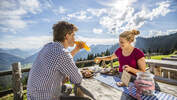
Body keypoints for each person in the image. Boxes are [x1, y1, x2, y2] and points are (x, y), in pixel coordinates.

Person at [27, 21, 90, 100]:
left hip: (33, 96)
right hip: (45, 97)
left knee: (68, 87)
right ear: (67, 36)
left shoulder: (48, 47)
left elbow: (62, 60)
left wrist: (76, 49)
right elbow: (77, 79)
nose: (75, 38)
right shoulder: (62, 53)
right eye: (73, 35)